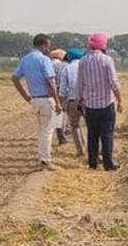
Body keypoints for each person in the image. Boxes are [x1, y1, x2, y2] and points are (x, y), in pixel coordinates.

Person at [12, 34, 63, 170]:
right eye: (48, 45)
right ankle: (45, 160)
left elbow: (15, 78)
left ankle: (41, 156)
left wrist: (25, 96)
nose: (48, 48)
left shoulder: (25, 59)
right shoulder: (44, 60)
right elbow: (50, 81)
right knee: (48, 130)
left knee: (41, 129)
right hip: (46, 98)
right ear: (43, 45)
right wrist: (58, 102)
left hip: (34, 99)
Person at [78, 33, 122, 171]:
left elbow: (80, 83)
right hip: (106, 104)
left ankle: (93, 163)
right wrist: (120, 100)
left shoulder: (83, 61)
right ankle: (108, 163)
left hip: (90, 105)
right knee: (107, 134)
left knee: (92, 134)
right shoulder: (107, 60)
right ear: (103, 45)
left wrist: (81, 100)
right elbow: (113, 82)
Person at [59, 47, 86, 157]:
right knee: (91, 126)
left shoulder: (66, 68)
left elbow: (62, 89)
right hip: (87, 101)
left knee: (74, 126)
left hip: (72, 100)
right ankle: (93, 149)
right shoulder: (86, 66)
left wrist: (62, 103)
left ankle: (80, 150)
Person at [50, 48, 69, 145]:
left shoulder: (49, 64)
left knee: (57, 114)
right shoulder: (64, 65)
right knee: (63, 113)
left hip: (50, 91)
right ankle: (63, 134)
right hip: (62, 90)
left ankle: (60, 135)